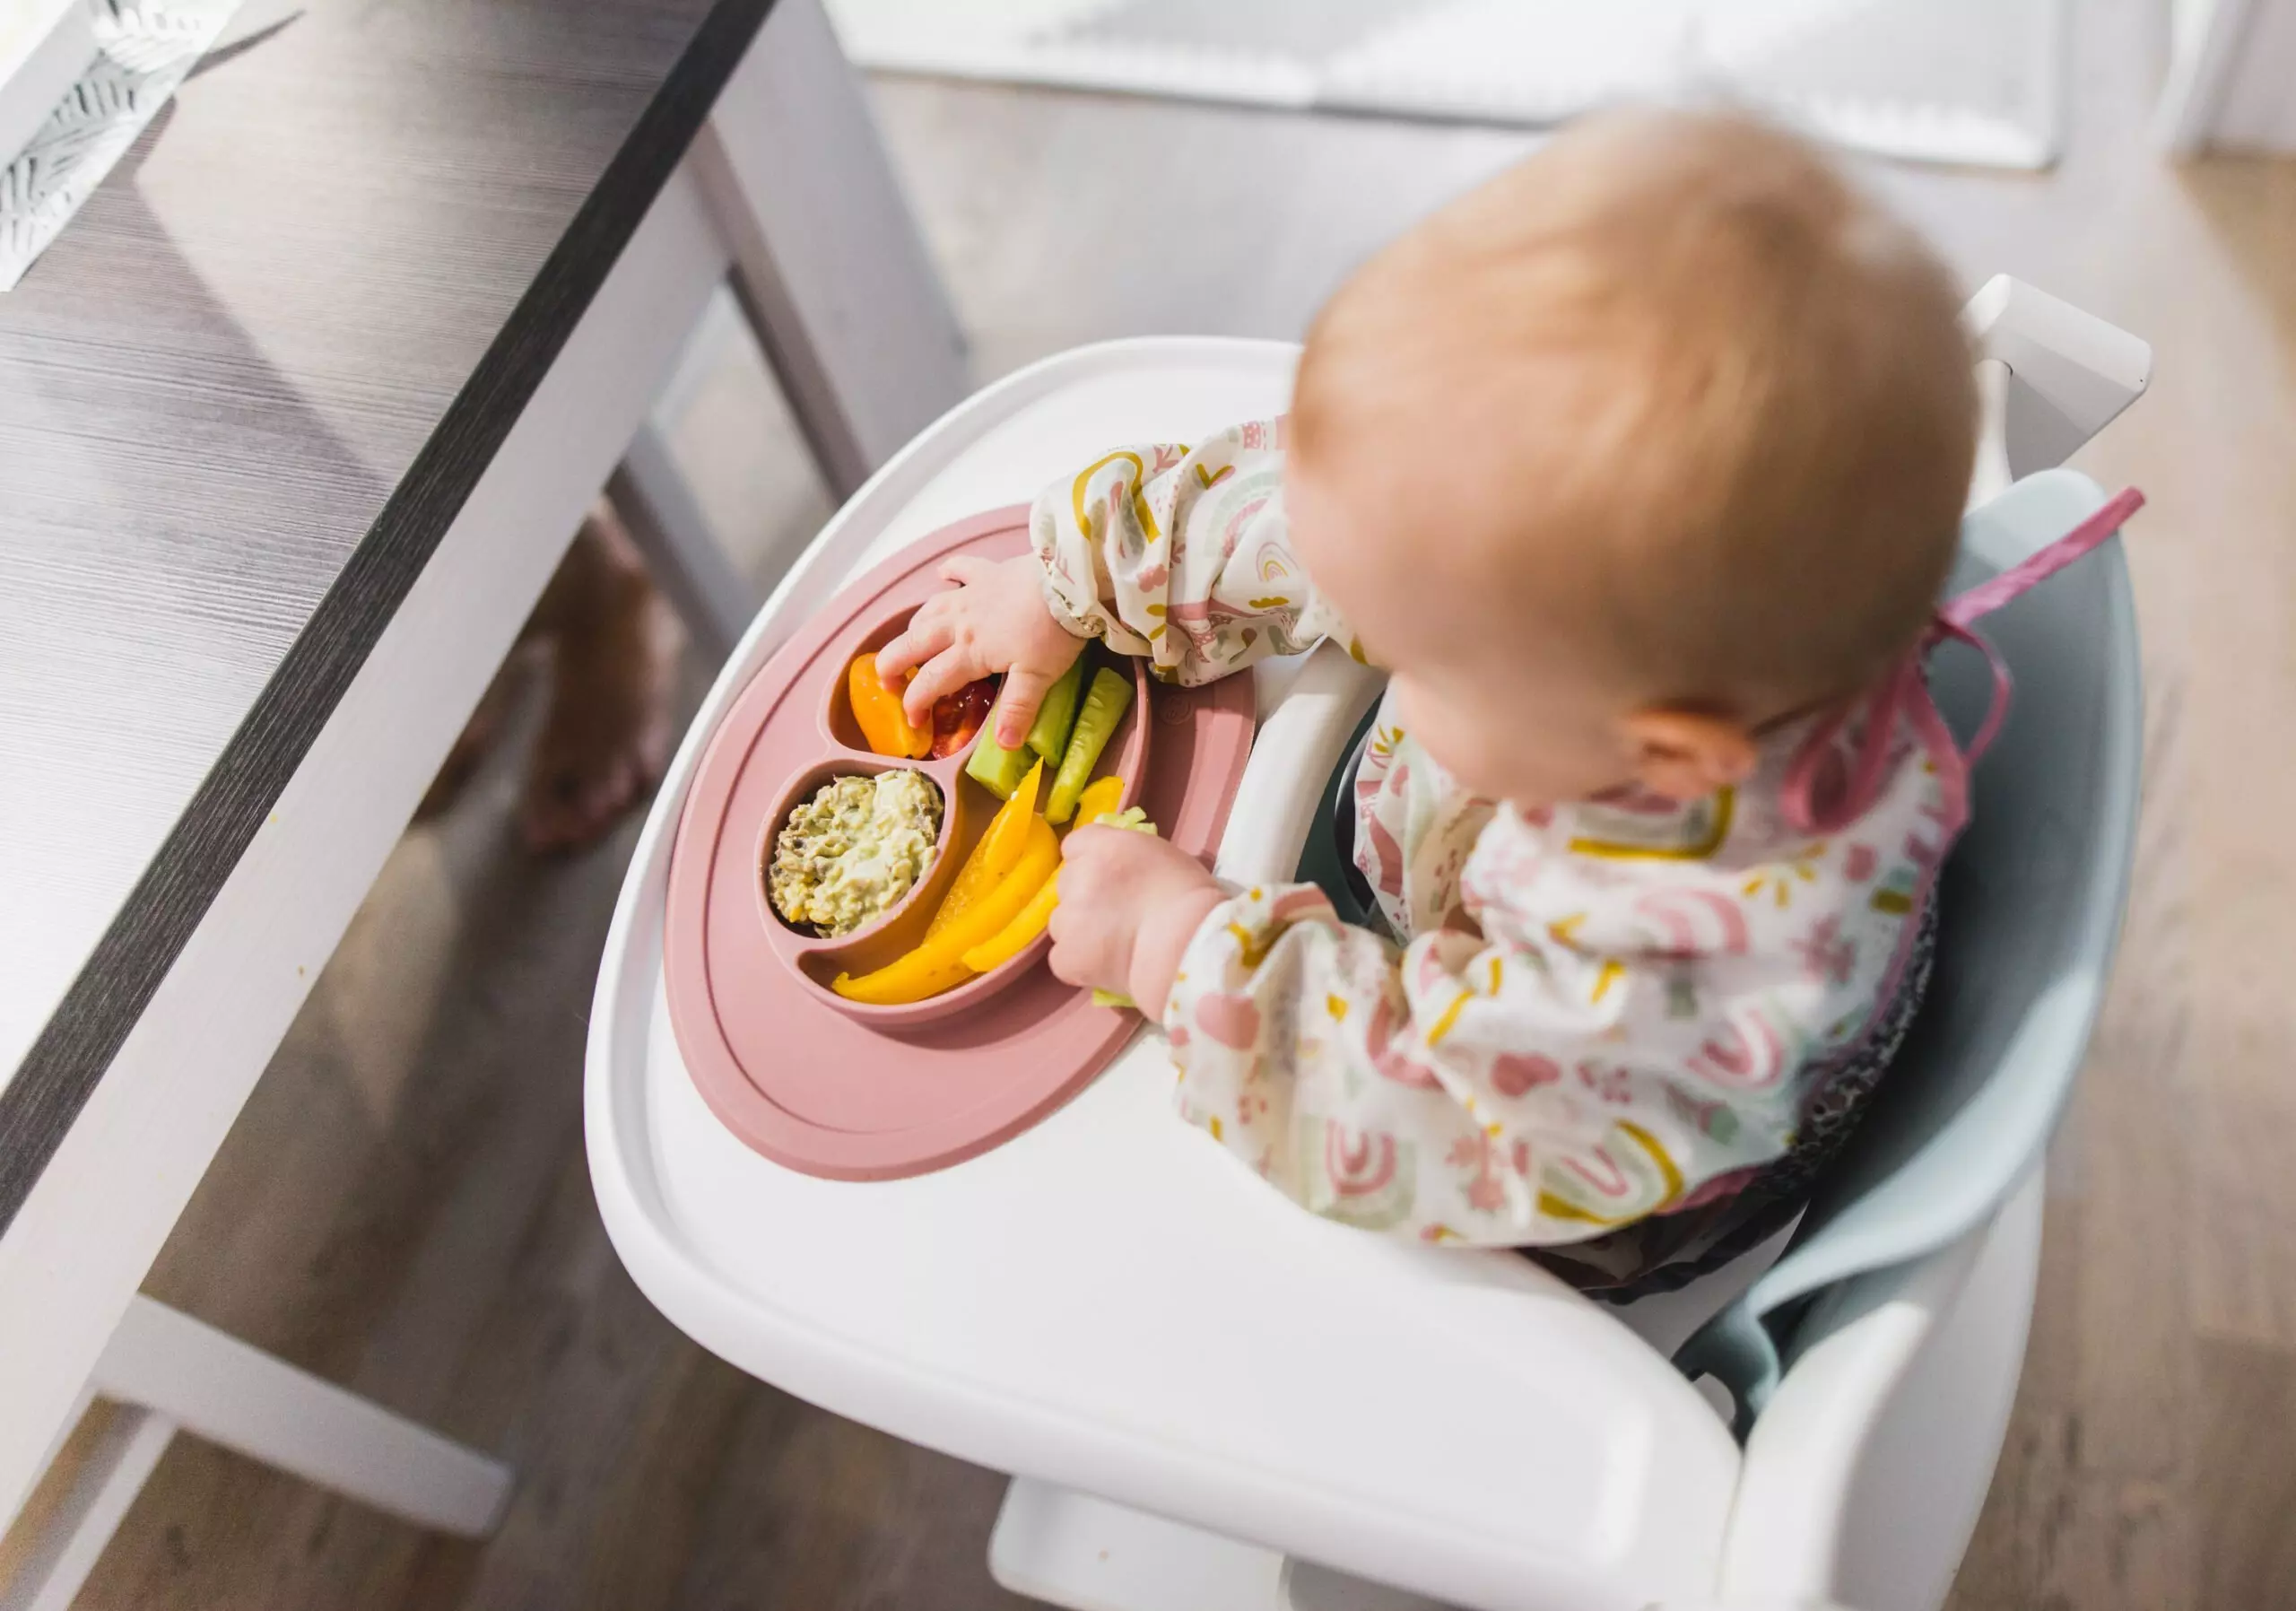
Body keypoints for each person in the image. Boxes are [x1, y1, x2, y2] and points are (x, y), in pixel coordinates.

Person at [876, 107, 1988, 1293]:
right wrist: (1080, 575)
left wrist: (1179, 949)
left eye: (1422, 659)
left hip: (1543, 1178)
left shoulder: (1668, 976)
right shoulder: (1631, 616)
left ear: (1661, 757)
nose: (1386, 649)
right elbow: (1340, 518)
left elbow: (1411, 1109)